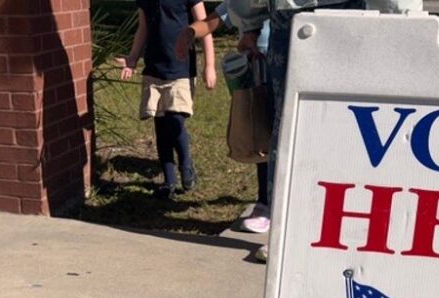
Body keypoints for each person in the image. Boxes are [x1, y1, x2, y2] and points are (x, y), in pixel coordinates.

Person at [179, 0, 369, 261]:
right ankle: (284, 230)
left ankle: (348, 229)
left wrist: (397, 16)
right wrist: (249, 27)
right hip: (291, 21)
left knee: (347, 123)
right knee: (287, 127)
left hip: (347, 14)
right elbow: (226, 15)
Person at [177, 8, 272, 236]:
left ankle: (276, 202)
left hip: (284, 63)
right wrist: (190, 31)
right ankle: (265, 203)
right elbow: (213, 21)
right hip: (255, 71)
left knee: (284, 134)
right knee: (260, 134)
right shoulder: (240, 2)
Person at [118, 0, 217, 200]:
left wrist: (210, 65)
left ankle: (186, 164)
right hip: (154, 68)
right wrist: (133, 58)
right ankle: (168, 181)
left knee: (175, 119)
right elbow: (143, 28)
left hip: (180, 68)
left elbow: (205, 26)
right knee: (160, 123)